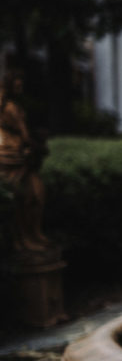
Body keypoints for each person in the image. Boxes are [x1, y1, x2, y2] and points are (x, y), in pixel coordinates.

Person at [0, 67, 51, 253]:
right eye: (18, 84)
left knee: (36, 193)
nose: (20, 86)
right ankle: (23, 239)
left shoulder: (13, 105)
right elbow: (25, 134)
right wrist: (38, 145)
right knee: (23, 198)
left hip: (18, 154)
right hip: (12, 155)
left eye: (22, 83)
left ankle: (33, 234)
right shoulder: (11, 108)